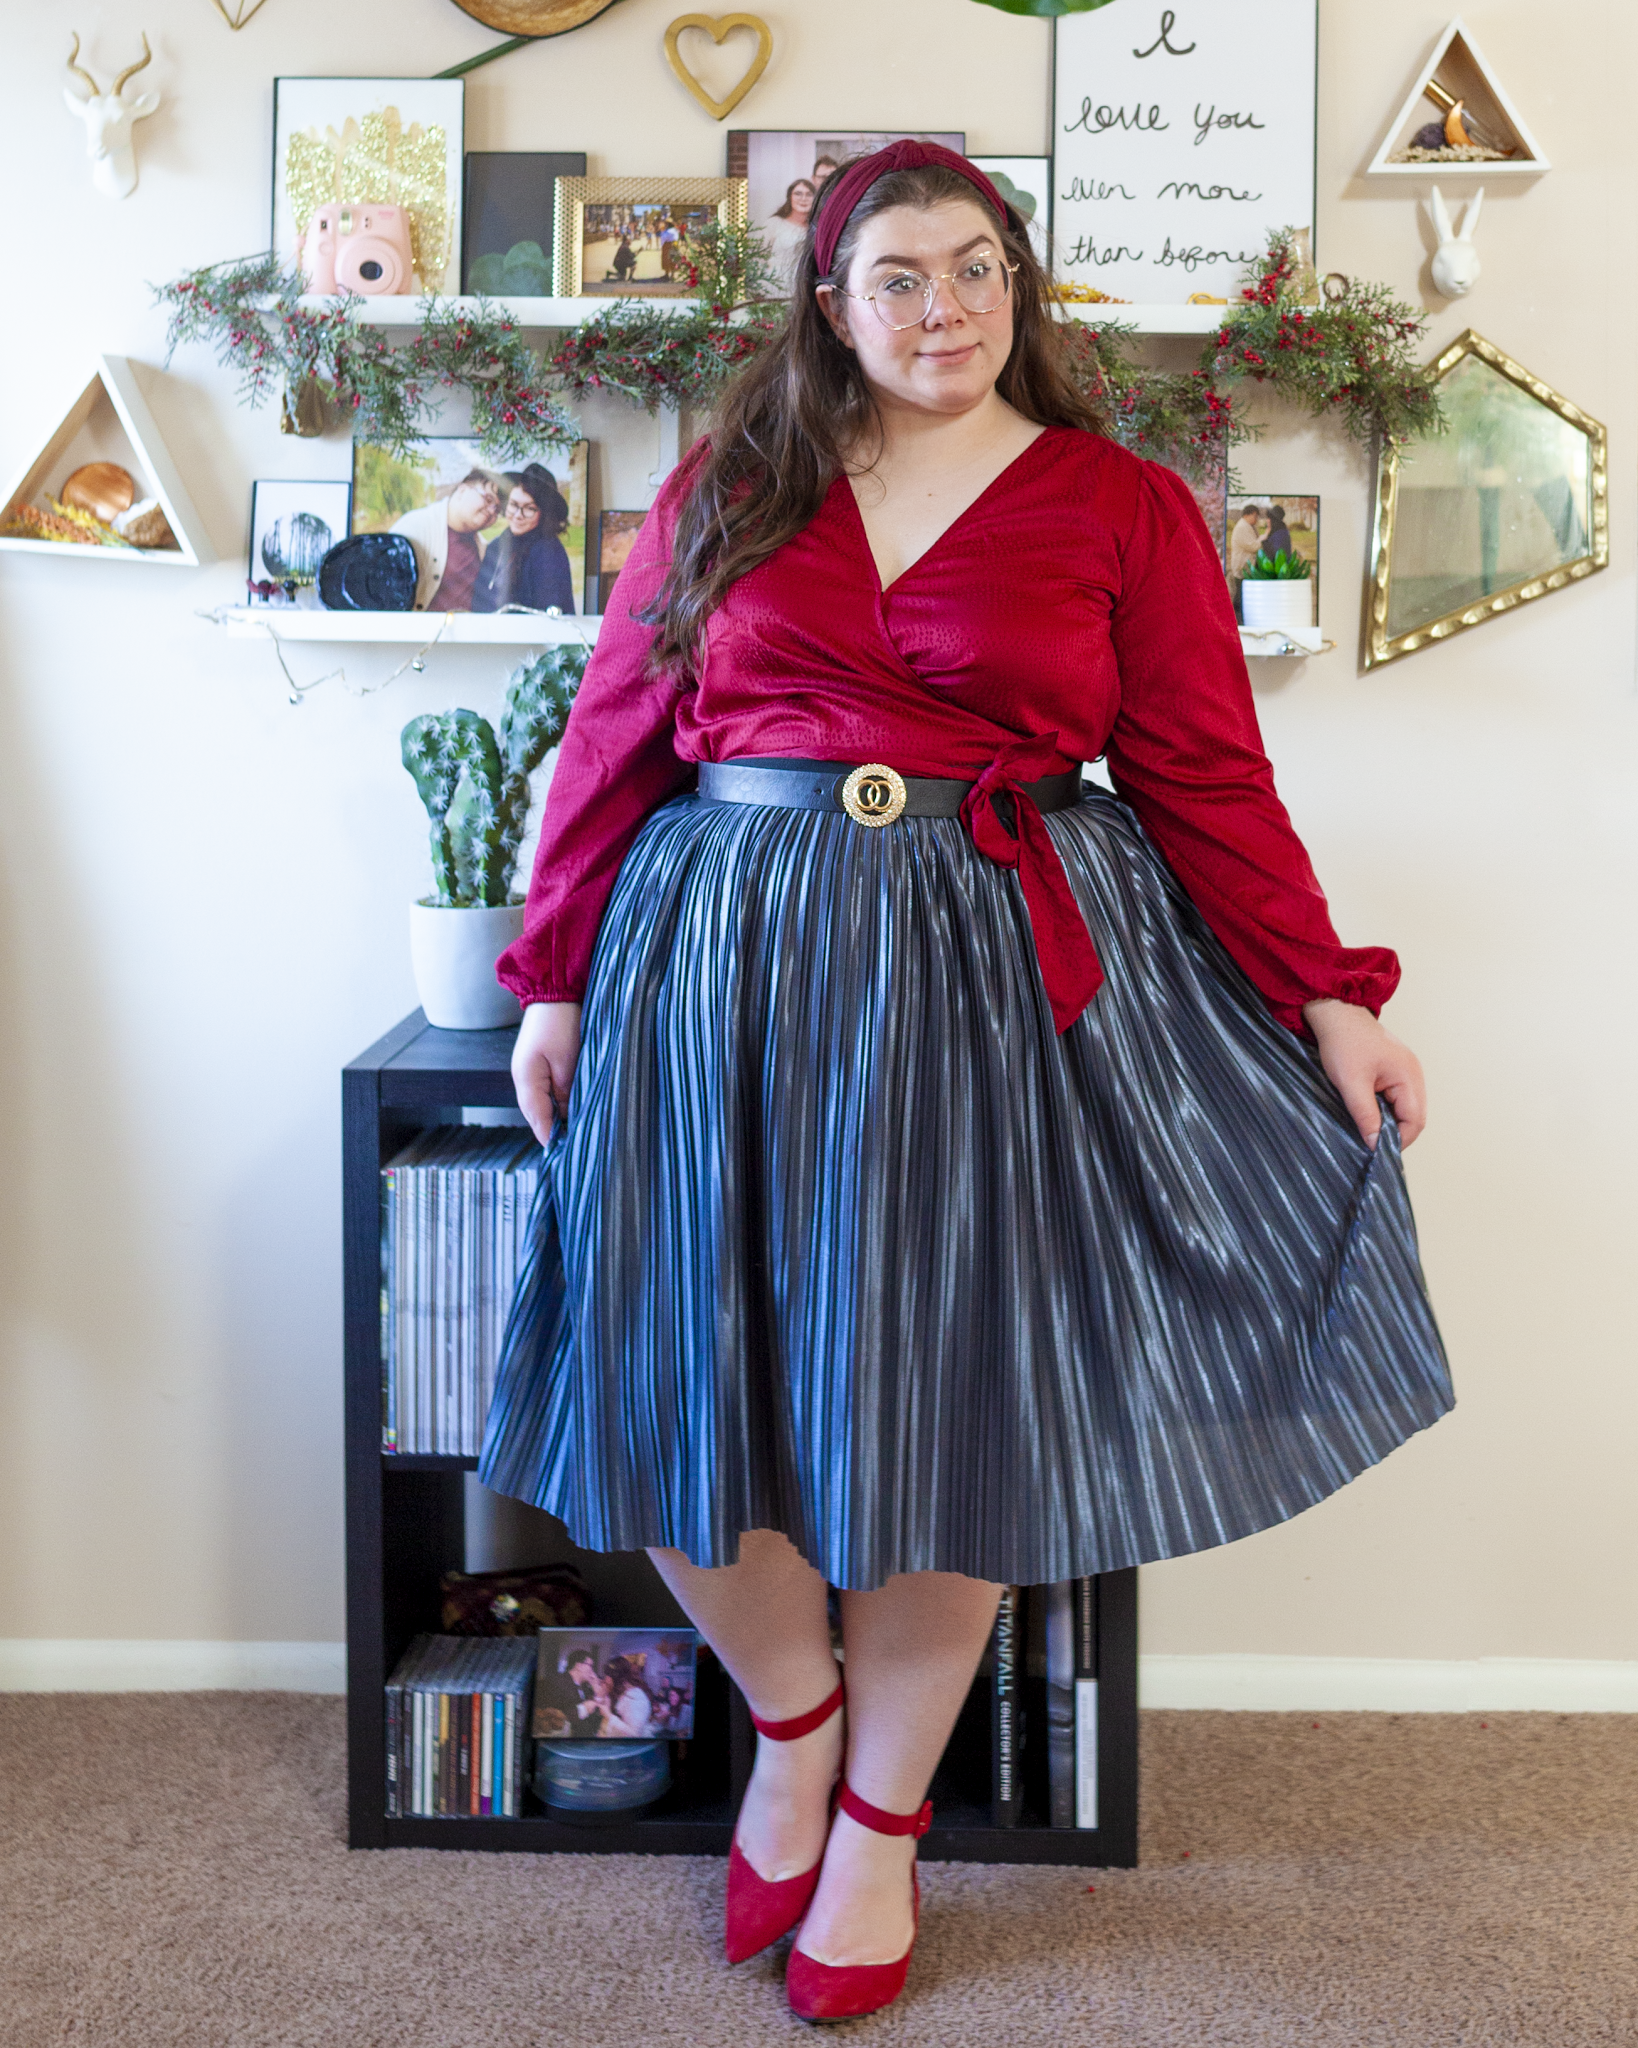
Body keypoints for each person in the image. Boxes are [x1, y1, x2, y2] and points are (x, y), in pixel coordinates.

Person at [479, 142, 1451, 2022]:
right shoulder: (732, 487)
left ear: (1021, 287)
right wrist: (555, 977)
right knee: (677, 1369)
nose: (945, 309)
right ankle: (791, 1716)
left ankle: (879, 1827)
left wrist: (1329, 991)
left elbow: (1201, 775)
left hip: (984, 979)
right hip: (720, 968)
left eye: (977, 269)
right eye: (901, 278)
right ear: (831, 307)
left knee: (945, 1401)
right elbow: (615, 734)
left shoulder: (1120, 505)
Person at [390, 469, 500, 611]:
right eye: (488, 499)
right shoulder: (415, 528)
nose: (492, 511)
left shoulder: (483, 547)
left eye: (497, 509)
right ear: (462, 490)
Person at [474, 466, 576, 615]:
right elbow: (479, 601)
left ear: (544, 513)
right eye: (514, 505)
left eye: (529, 508)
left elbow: (551, 616)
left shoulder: (549, 552)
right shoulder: (496, 546)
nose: (517, 515)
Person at [765, 177, 818, 295]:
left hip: (803, 291)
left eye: (808, 194)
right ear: (790, 197)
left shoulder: (816, 229)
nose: (803, 199)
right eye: (798, 194)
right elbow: (757, 258)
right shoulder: (774, 223)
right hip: (773, 287)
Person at [595, 1654, 656, 1738]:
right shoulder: (619, 1693)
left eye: (607, 1676)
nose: (605, 1679)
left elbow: (634, 1735)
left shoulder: (636, 1699)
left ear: (616, 1678)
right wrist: (600, 1695)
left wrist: (608, 1715)